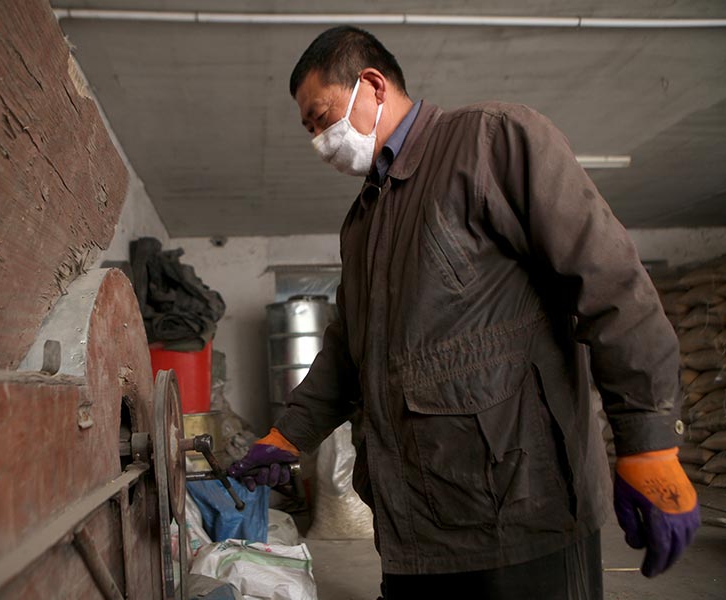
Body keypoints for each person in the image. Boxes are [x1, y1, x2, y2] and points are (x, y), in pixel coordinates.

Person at [228, 25, 700, 599]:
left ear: (372, 85)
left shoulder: (490, 141)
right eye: (310, 130)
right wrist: (287, 435)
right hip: (414, 528)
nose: (321, 141)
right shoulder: (363, 221)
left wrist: (649, 440)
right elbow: (349, 352)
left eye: (322, 117)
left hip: (523, 514)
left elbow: (611, 284)